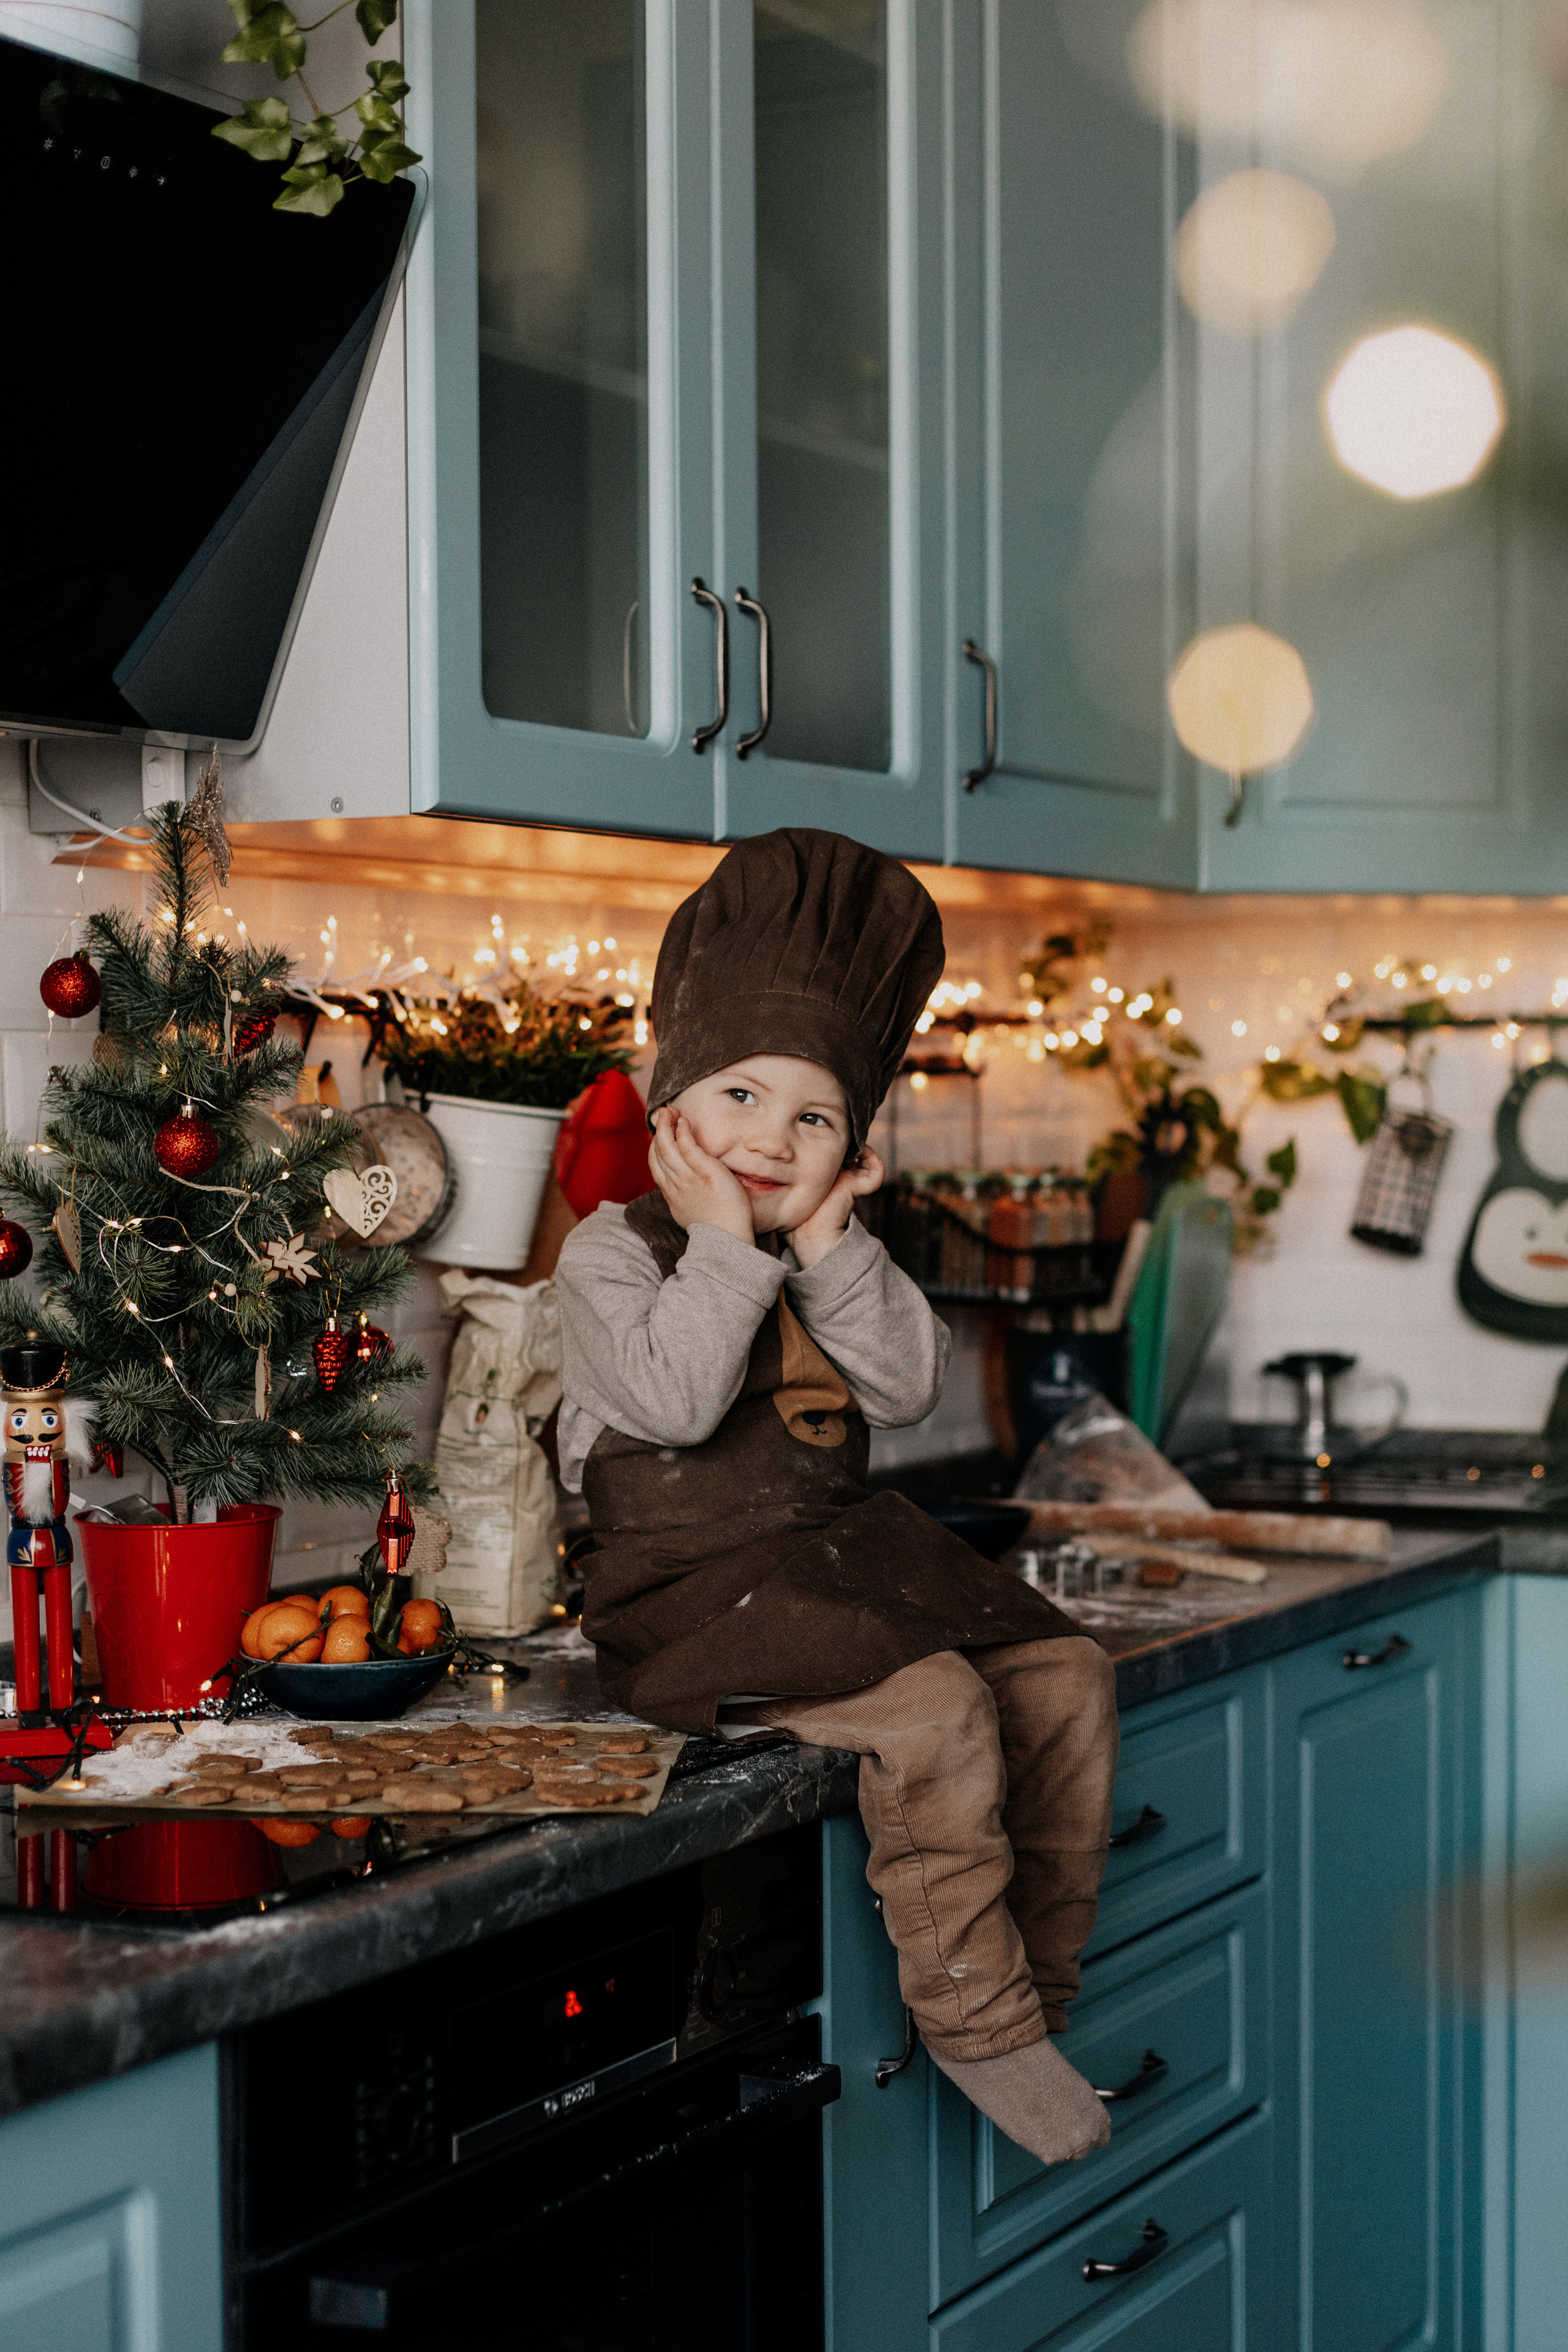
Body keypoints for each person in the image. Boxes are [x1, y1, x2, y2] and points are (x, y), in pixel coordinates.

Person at [556, 829, 1117, 2167]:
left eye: (812, 1119)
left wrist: (825, 1238)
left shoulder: (825, 1247)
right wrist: (722, 1242)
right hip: (681, 1596)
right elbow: (680, 1401)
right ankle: (972, 2023)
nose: (769, 1140)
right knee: (932, 1710)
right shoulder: (613, 1251)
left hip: (826, 1561)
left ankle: (1030, 2000)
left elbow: (908, 1383)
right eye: (739, 1099)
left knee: (1061, 1676)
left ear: (850, 1145)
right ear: (666, 1106)